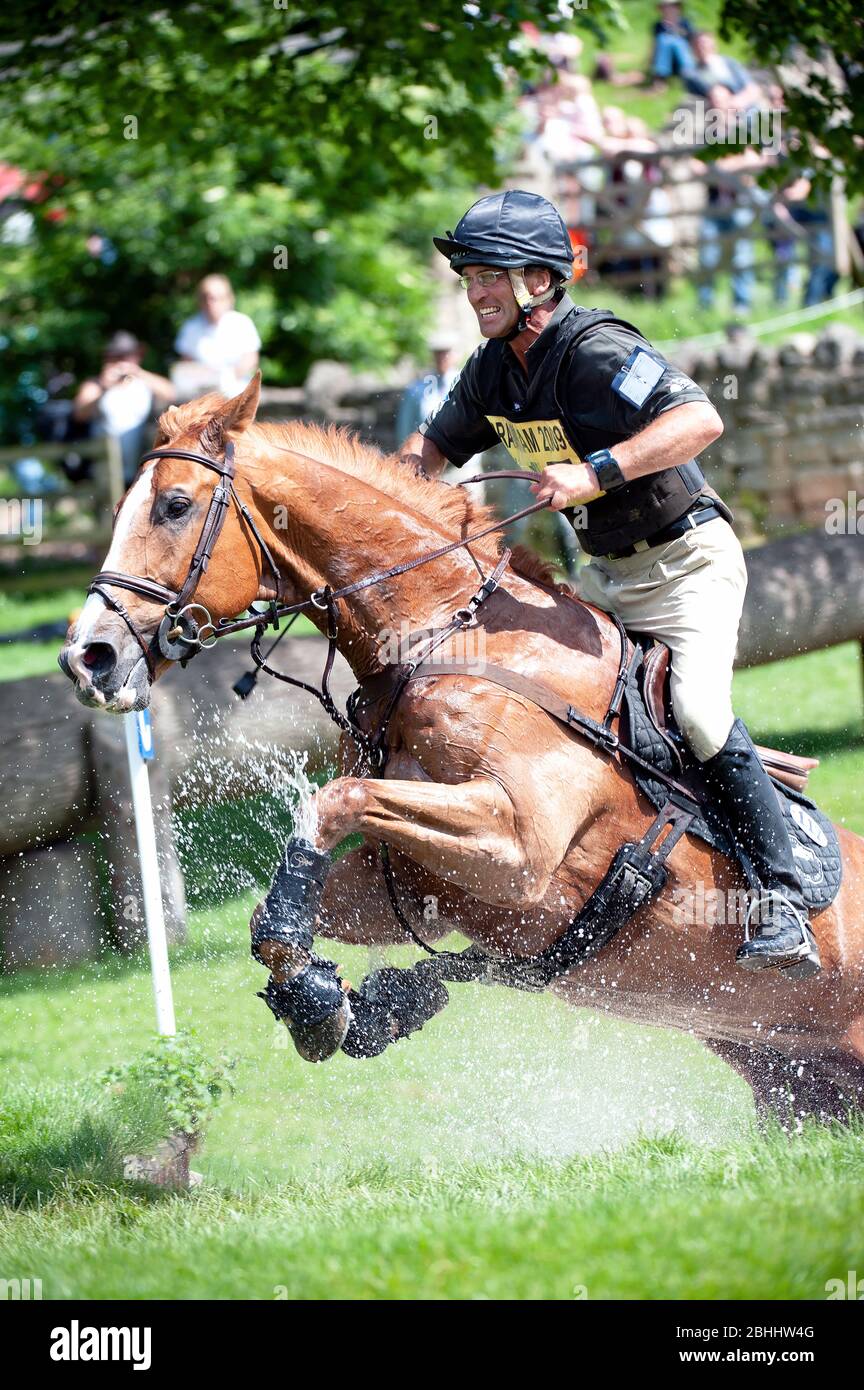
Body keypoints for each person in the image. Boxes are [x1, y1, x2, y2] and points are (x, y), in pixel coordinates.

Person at [399, 189, 820, 978]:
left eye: (490, 275)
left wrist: (595, 472)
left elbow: (699, 420)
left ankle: (783, 899)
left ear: (540, 280)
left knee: (694, 710)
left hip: (687, 566)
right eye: (468, 277)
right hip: (610, 576)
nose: (475, 291)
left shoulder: (593, 347)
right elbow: (427, 457)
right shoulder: (492, 372)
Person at [73, 331, 176, 484]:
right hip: (104, 471)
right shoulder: (96, 385)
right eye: (116, 357)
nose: (121, 361)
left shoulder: (145, 382)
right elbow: (80, 414)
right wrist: (104, 385)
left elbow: (172, 394)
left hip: (141, 468)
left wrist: (138, 372)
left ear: (137, 356)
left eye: (126, 356)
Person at [174, 274, 261, 398]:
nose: (211, 303)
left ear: (229, 299)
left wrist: (226, 379)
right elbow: (187, 362)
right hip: (201, 392)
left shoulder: (241, 323)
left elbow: (251, 360)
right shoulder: (191, 327)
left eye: (216, 298)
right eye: (206, 298)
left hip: (237, 389)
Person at [649, 2, 697, 87]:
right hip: (666, 61)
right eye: (665, 7)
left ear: (678, 8)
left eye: (672, 7)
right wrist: (651, 62)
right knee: (663, 39)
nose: (669, 10)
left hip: (683, 60)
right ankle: (660, 76)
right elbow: (654, 46)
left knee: (677, 42)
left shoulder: (685, 23)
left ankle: (689, 74)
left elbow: (693, 42)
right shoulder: (658, 26)